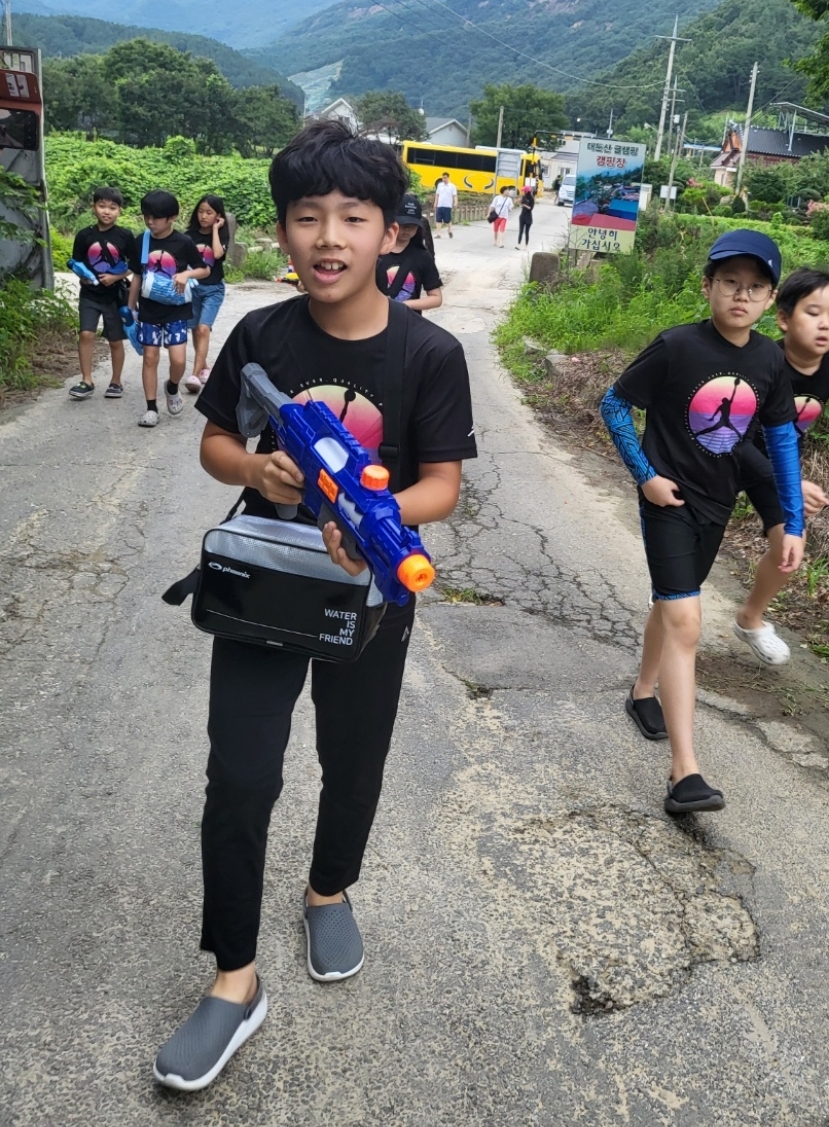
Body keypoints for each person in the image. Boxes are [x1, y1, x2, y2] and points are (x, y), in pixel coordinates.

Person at [152, 119, 477, 1092]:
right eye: (306, 216)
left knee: (354, 760)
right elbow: (216, 443)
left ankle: (328, 888)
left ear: (392, 233)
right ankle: (234, 976)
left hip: (369, 589)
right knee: (240, 775)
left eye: (353, 216)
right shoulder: (261, 334)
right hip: (262, 583)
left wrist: (372, 515)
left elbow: (443, 486)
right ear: (283, 231)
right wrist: (258, 470)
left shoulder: (430, 352)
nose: (329, 236)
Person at [599, 230, 804, 815]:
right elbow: (614, 404)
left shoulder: (769, 360)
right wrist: (645, 475)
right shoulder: (677, 346)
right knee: (686, 620)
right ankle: (684, 773)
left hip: (718, 504)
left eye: (756, 287)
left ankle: (643, 690)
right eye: (730, 283)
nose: (742, 295)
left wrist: (792, 522)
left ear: (771, 300)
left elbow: (782, 442)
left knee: (672, 606)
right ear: (708, 286)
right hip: (667, 502)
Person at [732, 267, 829, 664]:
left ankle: (750, 619)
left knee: (788, 544)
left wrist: (788, 478)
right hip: (727, 455)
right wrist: (791, 480)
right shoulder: (760, 363)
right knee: (696, 532)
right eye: (813, 312)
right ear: (783, 319)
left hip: (776, 466)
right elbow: (735, 437)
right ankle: (674, 594)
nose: (825, 323)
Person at [126, 190, 210, 428]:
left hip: (176, 310)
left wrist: (186, 274)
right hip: (149, 310)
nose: (150, 221)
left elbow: (204, 269)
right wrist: (130, 308)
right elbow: (137, 276)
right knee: (150, 357)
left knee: (178, 359)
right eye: (146, 216)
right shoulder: (141, 241)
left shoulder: (184, 242)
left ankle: (172, 386)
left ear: (172, 217)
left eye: (156, 217)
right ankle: (151, 408)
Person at [68, 186, 134, 401]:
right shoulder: (84, 235)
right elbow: (76, 263)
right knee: (86, 334)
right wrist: (83, 277)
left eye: (112, 208)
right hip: (89, 295)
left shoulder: (125, 236)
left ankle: (116, 381)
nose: (107, 211)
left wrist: (116, 277)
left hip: (115, 296)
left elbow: (134, 266)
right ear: (93, 208)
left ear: (119, 211)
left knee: (115, 340)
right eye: (102, 206)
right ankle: (86, 381)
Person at [183, 194, 230, 394]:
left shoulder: (222, 235)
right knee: (195, 329)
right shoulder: (189, 236)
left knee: (203, 328)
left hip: (214, 289)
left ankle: (194, 375)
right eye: (201, 211)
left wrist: (215, 230)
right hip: (193, 288)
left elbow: (217, 254)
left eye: (209, 212)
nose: (203, 216)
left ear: (218, 216)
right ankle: (204, 368)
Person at [377, 192, 443, 314]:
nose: (407, 229)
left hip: (408, 321)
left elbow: (436, 298)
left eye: (412, 225)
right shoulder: (375, 253)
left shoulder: (422, 256)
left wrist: (403, 305)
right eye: (403, 224)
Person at [432, 171, 457, 238]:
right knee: (438, 220)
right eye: (443, 178)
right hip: (440, 205)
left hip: (447, 205)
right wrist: (435, 203)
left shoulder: (452, 186)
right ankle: (439, 234)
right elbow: (437, 195)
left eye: (445, 178)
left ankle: (449, 230)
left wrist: (455, 202)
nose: (444, 179)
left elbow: (454, 196)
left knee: (447, 220)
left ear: (448, 178)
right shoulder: (440, 185)